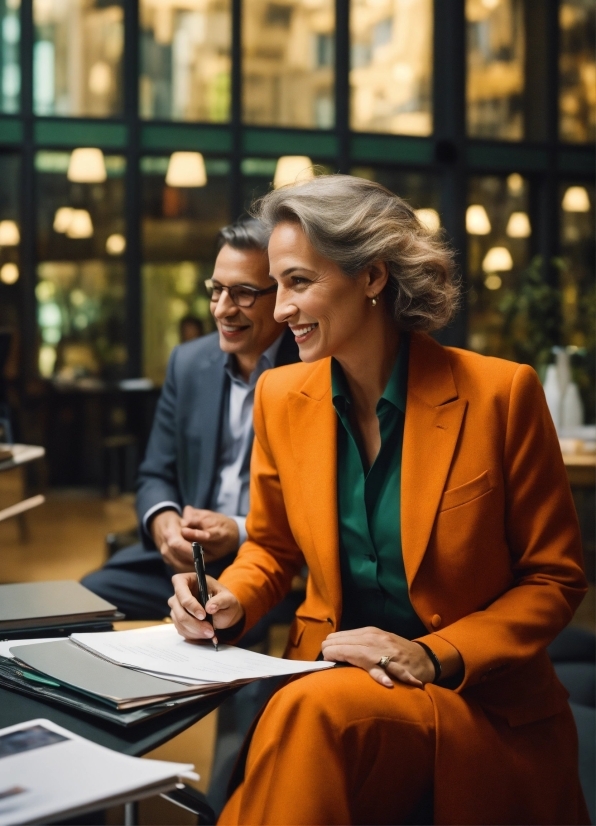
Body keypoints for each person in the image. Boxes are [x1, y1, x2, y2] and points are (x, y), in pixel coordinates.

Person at [168, 175, 589, 825]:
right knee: (311, 709)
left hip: (473, 699)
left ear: (372, 277)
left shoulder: (501, 396)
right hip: (333, 683)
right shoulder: (282, 400)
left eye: (298, 282)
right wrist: (232, 598)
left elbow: (554, 579)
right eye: (276, 285)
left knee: (308, 714)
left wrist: (430, 653)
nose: (278, 310)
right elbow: (273, 549)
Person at [82, 217, 298, 621]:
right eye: (216, 290)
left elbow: (318, 509)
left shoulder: (312, 370)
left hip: (271, 566)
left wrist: (238, 530)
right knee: (83, 602)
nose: (221, 308)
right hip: (183, 560)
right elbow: (154, 473)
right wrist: (165, 524)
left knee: (218, 636)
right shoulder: (188, 362)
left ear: (282, 294)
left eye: (243, 294)